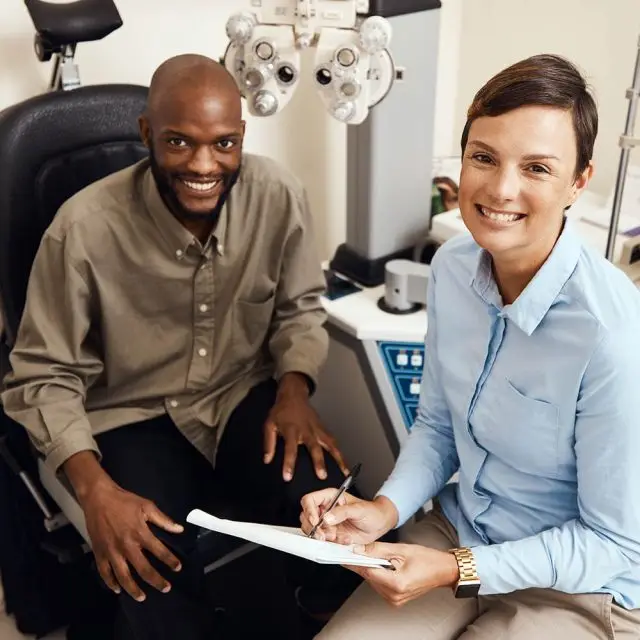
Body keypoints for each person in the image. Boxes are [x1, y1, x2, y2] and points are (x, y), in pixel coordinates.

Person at [1, 54, 356, 640]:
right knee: (152, 572)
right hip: (126, 414)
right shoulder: (82, 229)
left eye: (223, 144)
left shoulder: (277, 194)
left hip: (238, 395)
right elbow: (43, 376)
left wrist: (294, 390)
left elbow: (298, 310)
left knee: (338, 520)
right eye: (178, 142)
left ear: (242, 136)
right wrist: (95, 492)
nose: (203, 164)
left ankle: (318, 615)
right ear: (146, 134)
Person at [300, 54, 640, 639]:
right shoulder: (454, 268)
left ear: (578, 182)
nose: (501, 188)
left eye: (536, 167)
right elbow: (437, 426)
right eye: (484, 157)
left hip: (576, 584)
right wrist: (383, 511)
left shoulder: (609, 334)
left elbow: (614, 540)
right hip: (464, 530)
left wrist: (457, 570)